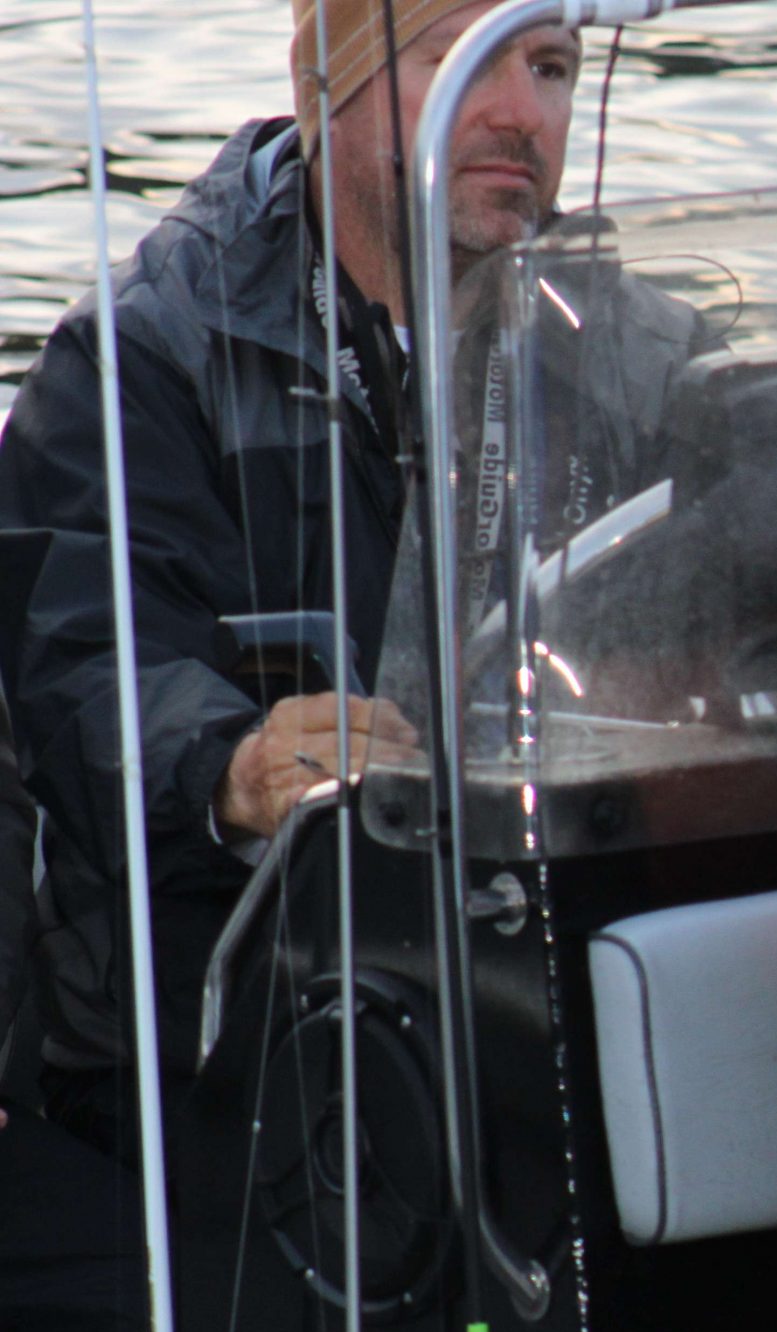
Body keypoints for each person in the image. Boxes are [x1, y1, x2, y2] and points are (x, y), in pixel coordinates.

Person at [0, 0, 705, 1154]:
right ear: (326, 80)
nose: (519, 112)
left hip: (562, 1007)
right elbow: (89, 663)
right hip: (234, 1056)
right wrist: (229, 766)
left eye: (549, 64)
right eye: (457, 57)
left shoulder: (652, 357)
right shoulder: (145, 356)